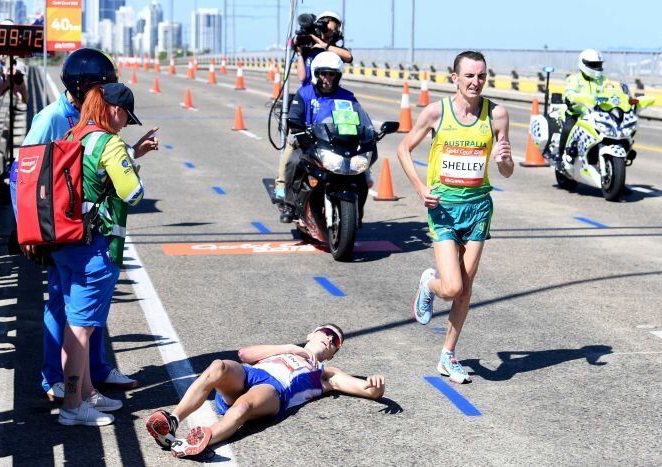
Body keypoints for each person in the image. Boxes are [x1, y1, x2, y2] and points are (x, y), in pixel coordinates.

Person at [11, 48, 158, 402]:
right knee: (61, 303)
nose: (105, 94)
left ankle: (96, 371)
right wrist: (27, 230)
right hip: (57, 226)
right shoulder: (52, 118)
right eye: (101, 88)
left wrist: (131, 153)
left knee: (86, 309)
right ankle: (55, 379)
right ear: (86, 87)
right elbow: (23, 173)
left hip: (77, 225)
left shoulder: (84, 118)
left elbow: (92, 167)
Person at [396, 51, 514, 384]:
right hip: (444, 209)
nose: (476, 82)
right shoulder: (437, 112)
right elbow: (403, 149)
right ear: (455, 78)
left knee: (465, 289)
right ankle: (428, 283)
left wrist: (504, 160)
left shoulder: (497, 115)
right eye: (470, 76)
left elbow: (506, 170)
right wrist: (420, 188)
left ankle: (447, 355)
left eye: (481, 76)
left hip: (478, 208)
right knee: (451, 287)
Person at [145, 324, 385, 458]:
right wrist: (290, 348)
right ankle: (172, 420)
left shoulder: (325, 372)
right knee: (218, 366)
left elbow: (366, 389)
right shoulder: (285, 350)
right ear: (312, 334)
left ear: (332, 354)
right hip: (251, 374)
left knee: (243, 406)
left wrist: (375, 386)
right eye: (328, 333)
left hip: (274, 391)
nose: (330, 340)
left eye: (336, 343)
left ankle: (198, 441)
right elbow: (244, 354)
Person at [56, 82, 147, 426]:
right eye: (126, 117)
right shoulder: (109, 143)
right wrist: (132, 168)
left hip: (66, 241)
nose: (125, 125)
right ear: (115, 110)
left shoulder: (73, 134)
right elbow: (133, 193)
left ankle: (87, 393)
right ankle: (72, 406)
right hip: (94, 246)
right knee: (80, 329)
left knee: (77, 323)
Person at [277, 51, 361, 223]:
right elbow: (295, 115)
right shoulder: (305, 93)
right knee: (294, 162)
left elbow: (358, 119)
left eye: (332, 74)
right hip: (309, 144)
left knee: (362, 172)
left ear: (338, 76)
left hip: (338, 145)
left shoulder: (347, 97)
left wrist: (366, 132)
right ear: (316, 74)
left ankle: (357, 211)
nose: (327, 78)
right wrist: (297, 126)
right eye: (323, 73)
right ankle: (289, 204)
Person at [557, 49, 608, 162]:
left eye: (599, 65)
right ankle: (560, 158)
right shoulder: (575, 79)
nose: (597, 68)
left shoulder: (604, 80)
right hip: (576, 114)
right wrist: (577, 98)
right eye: (593, 65)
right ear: (584, 64)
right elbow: (569, 94)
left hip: (598, 115)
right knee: (568, 129)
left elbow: (613, 90)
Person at [294, 10, 352, 86]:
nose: (327, 32)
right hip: (308, 91)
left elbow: (349, 57)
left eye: (331, 30)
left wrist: (324, 46)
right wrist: (299, 52)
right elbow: (302, 77)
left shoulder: (335, 52)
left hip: (329, 91)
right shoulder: (309, 50)